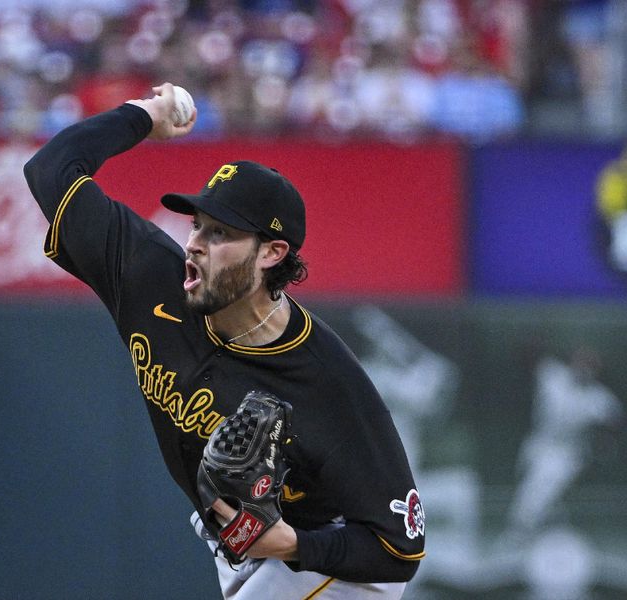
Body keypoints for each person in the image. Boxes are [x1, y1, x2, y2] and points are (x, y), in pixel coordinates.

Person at [23, 82, 425, 599]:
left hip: (328, 562)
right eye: (197, 224)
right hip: (234, 550)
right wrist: (145, 114)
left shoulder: (327, 382)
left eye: (220, 233)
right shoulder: (148, 275)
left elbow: (400, 551)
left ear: (271, 253)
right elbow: (49, 170)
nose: (194, 243)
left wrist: (291, 543)